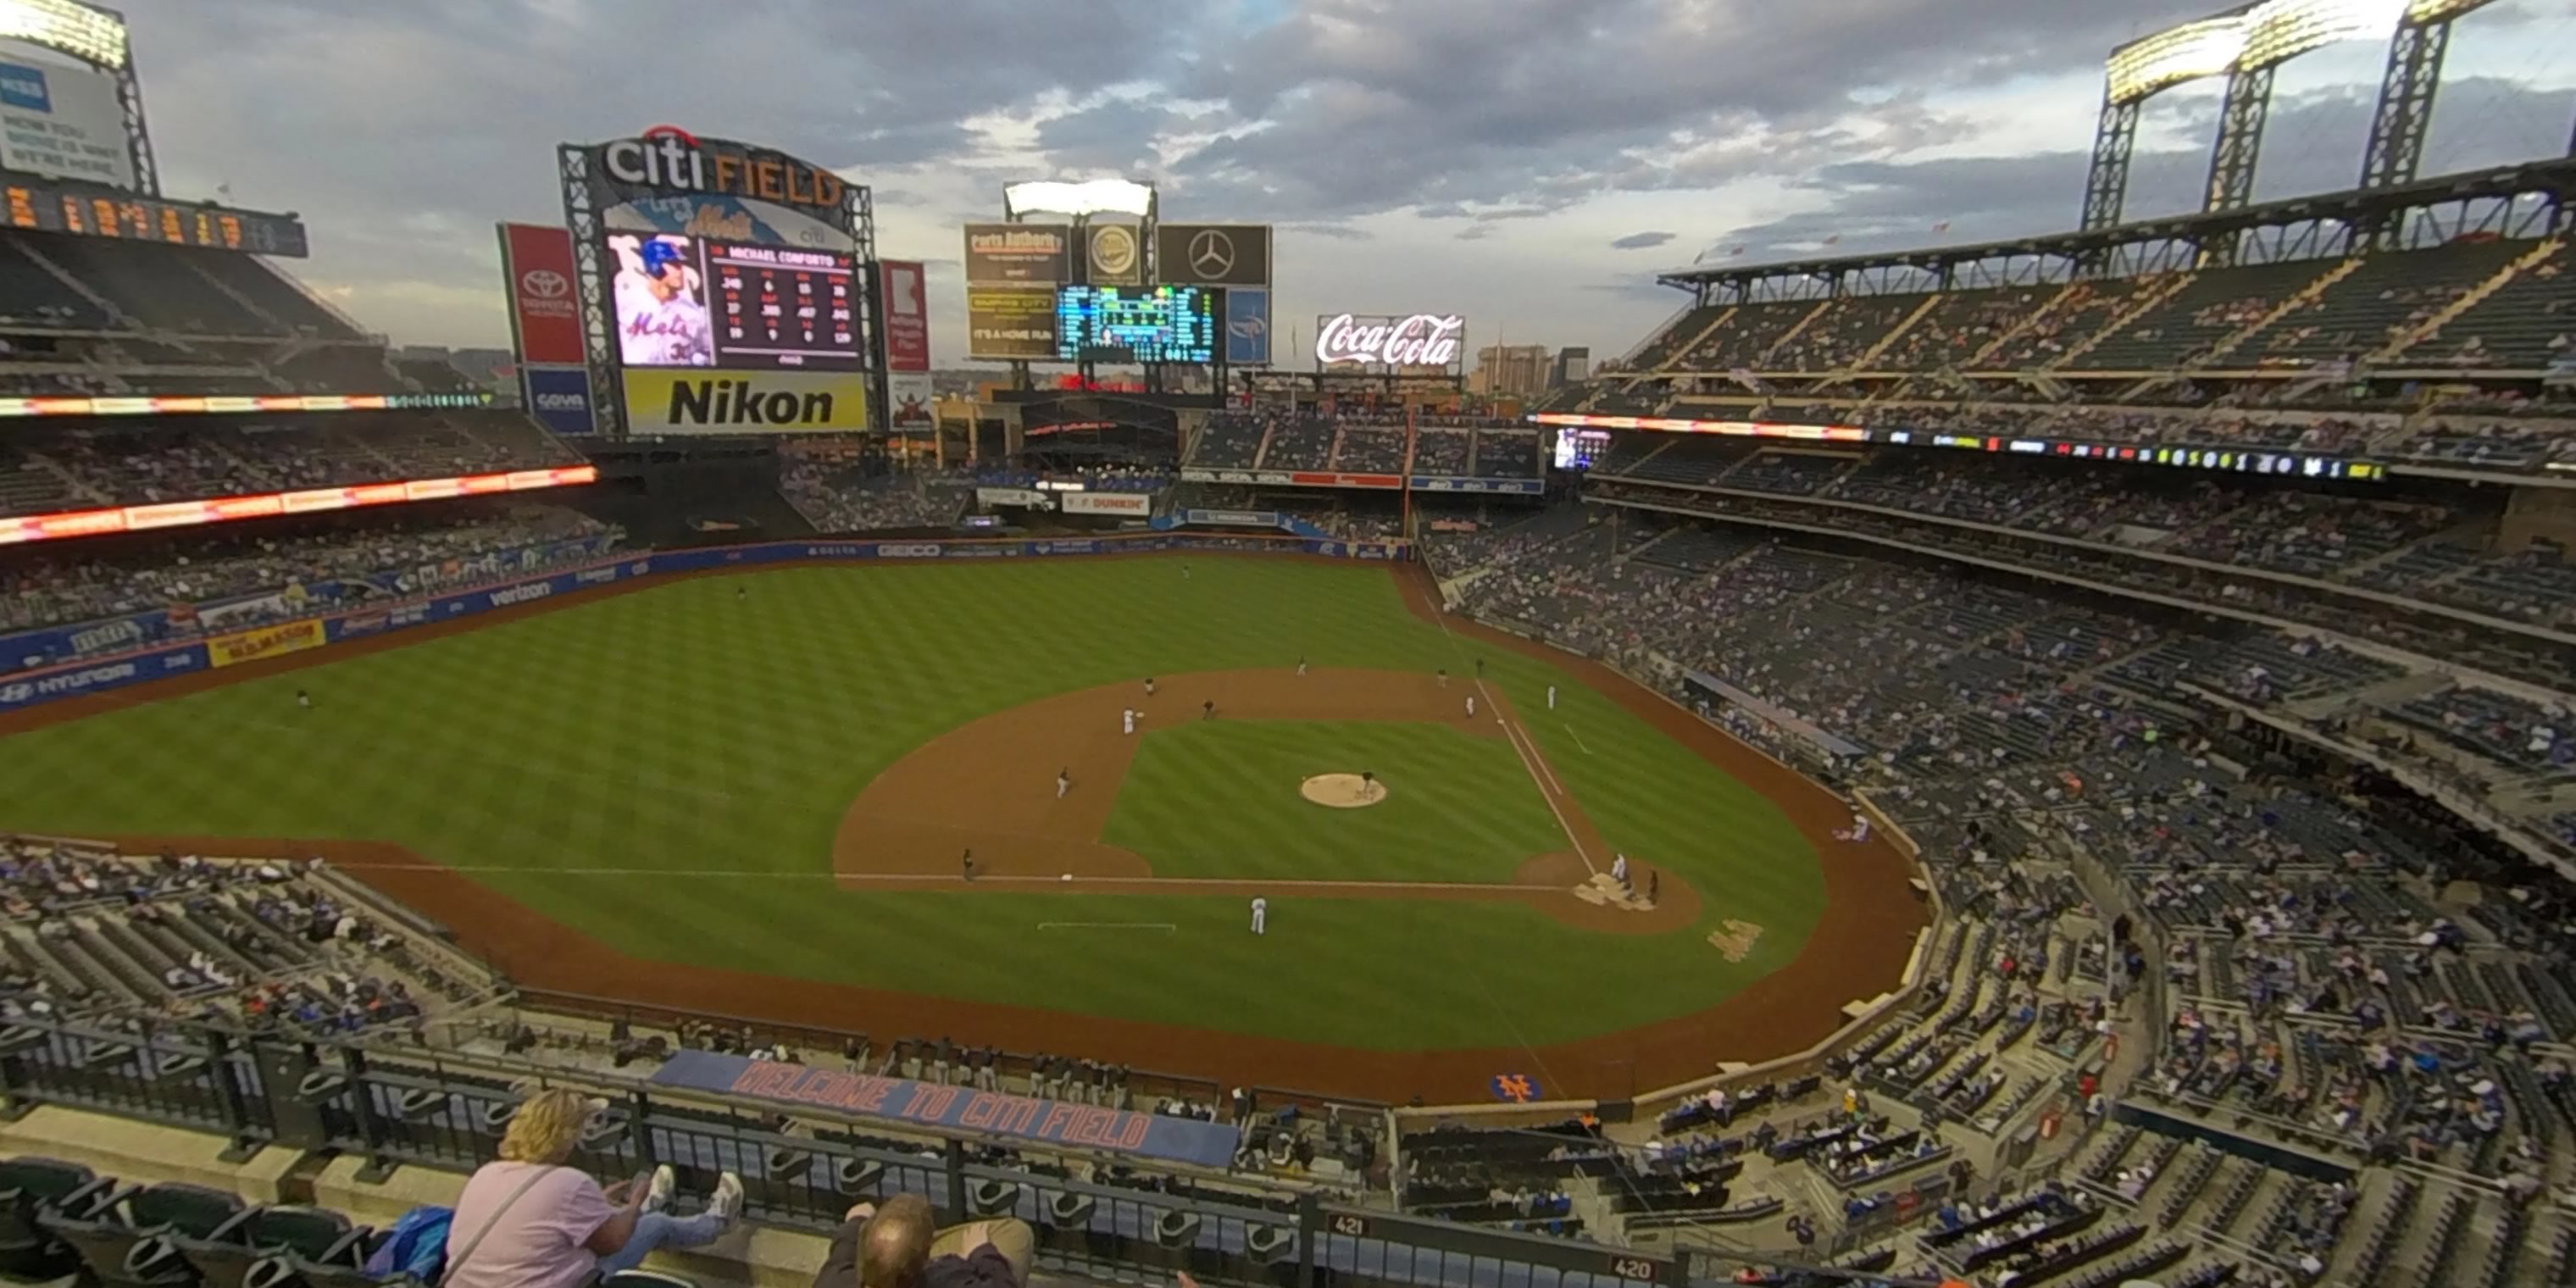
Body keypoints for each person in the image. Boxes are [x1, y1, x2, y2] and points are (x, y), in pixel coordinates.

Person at [445, 1088, 741, 1288]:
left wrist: (599, 1206)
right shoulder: (569, 1183)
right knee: (656, 1224)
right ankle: (717, 1221)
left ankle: (652, 1206)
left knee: (631, 1222)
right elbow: (611, 1243)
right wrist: (634, 1204)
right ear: (569, 1135)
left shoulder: (486, 1173)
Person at [813, 1193, 1030, 1288]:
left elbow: (845, 1245)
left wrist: (858, 1219)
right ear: (926, 1257)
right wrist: (981, 1252)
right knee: (1015, 1233)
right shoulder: (949, 1276)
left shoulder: (835, 1280)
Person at [613, 236, 714, 366]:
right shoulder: (626, 299)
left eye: (680, 265)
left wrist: (697, 359)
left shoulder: (692, 310)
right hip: (632, 378)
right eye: (674, 264)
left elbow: (707, 350)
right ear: (655, 266)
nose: (680, 271)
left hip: (674, 379)